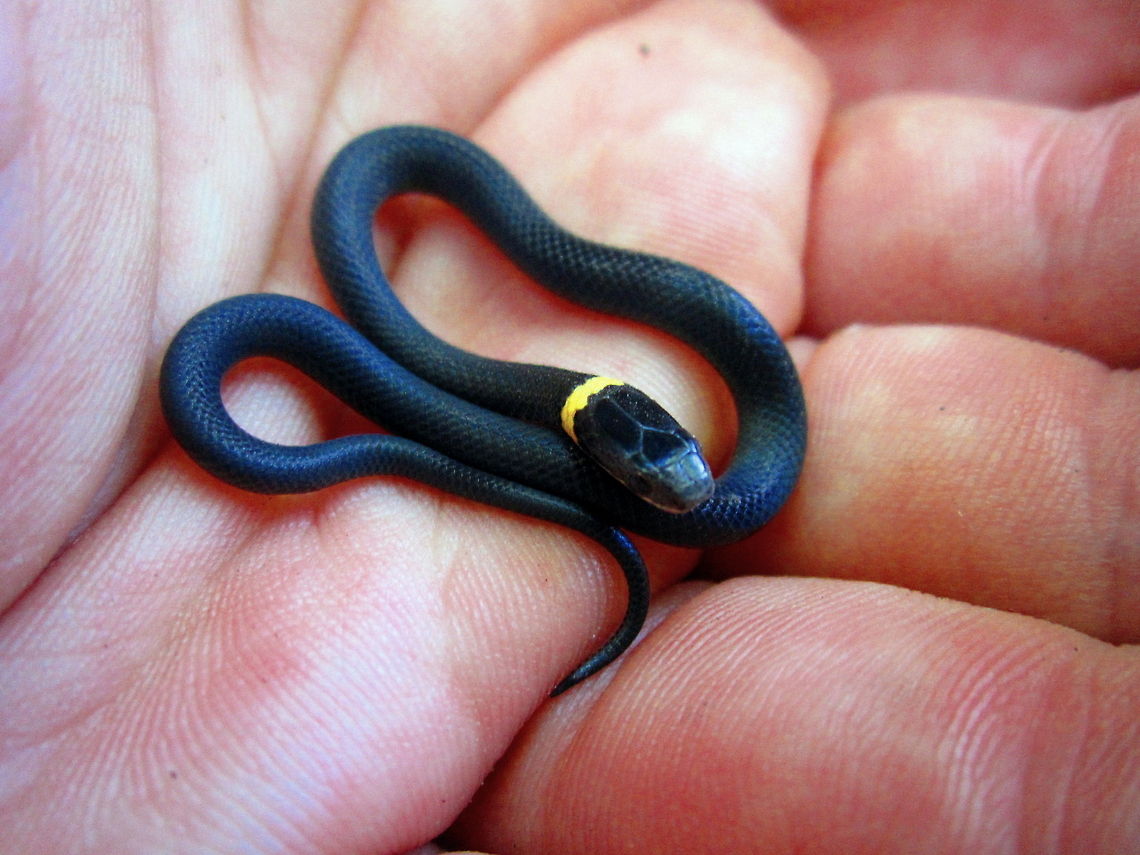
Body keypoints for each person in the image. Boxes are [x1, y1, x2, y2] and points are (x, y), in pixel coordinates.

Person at [1, 2, 1136, 852]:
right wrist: (400, 448)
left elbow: (703, 477)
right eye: (650, 487)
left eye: (660, 481)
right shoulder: (419, 287)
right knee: (415, 375)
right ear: (600, 431)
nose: (684, 492)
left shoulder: (661, 438)